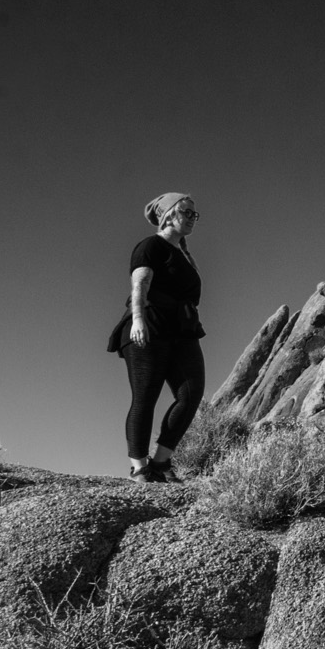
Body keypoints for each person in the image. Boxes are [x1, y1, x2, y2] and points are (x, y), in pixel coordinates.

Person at [107, 192, 206, 482]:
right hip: (148, 324)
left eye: (194, 214)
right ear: (167, 215)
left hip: (183, 331)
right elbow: (140, 284)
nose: (191, 219)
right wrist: (138, 319)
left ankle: (162, 463)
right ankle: (139, 466)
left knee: (191, 393)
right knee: (145, 397)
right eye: (186, 212)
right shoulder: (151, 245)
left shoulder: (185, 256)